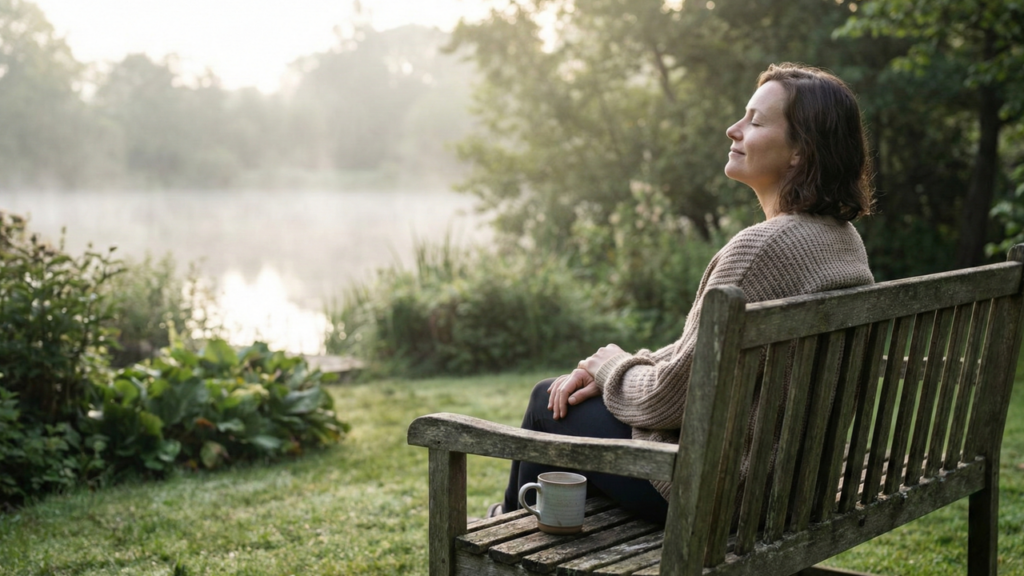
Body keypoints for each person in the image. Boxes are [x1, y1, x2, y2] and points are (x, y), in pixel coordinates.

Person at [496, 63, 876, 525]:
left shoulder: (763, 248)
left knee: (547, 403)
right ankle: (518, 521)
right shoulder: (842, 240)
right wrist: (625, 367)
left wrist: (612, 366)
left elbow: (672, 399)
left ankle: (504, 538)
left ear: (800, 152)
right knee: (574, 402)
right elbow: (696, 361)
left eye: (755, 122)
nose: (733, 130)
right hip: (795, 485)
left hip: (726, 492)